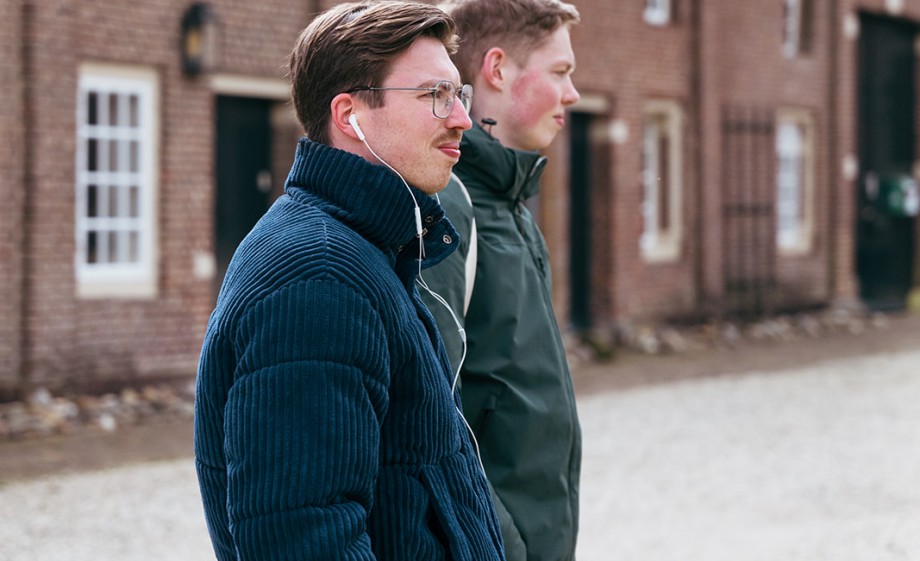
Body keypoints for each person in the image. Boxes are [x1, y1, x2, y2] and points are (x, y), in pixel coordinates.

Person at [193, 2, 505, 560]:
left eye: (459, 95)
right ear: (349, 114)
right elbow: (302, 538)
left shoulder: (367, 254)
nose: (460, 118)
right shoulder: (317, 276)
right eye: (434, 96)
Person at [420, 1, 582, 560]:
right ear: (496, 68)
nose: (573, 93)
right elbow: (431, 421)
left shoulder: (513, 209)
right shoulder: (447, 209)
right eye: (560, 72)